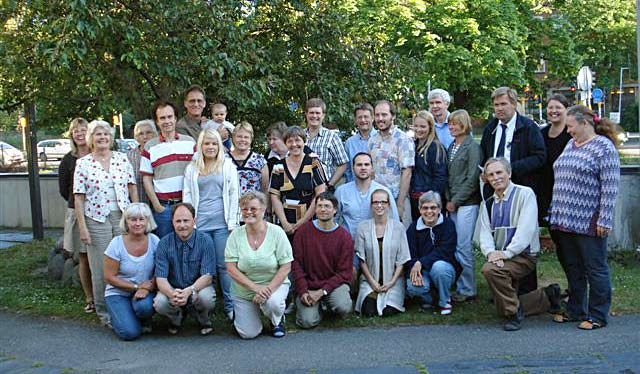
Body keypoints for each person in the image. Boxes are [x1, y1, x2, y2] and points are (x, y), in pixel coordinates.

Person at [549, 105, 620, 330]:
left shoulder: (604, 148)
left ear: (585, 123)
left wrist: (604, 219)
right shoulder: (571, 144)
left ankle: (598, 315)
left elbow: (610, 187)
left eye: (570, 126)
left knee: (595, 268)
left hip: (588, 221)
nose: (567, 130)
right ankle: (576, 310)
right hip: (564, 220)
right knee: (573, 267)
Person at [479, 157, 561, 331]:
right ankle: (547, 296)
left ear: (509, 173)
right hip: (500, 257)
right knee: (491, 268)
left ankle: (512, 312)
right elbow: (484, 235)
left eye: (499, 172)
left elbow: (526, 231)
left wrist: (506, 254)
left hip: (524, 255)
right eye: (491, 174)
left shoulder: (525, 194)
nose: (495, 177)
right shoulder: (487, 204)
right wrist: (491, 254)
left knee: (490, 271)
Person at [479, 87, 546, 295]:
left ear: (514, 104)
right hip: (496, 192)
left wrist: (509, 171)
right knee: (500, 236)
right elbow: (484, 156)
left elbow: (539, 156)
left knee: (522, 241)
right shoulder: (491, 128)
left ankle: (527, 294)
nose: (499, 109)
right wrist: (488, 174)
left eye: (503, 104)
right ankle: (503, 290)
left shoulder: (528, 127)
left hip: (521, 192)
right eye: (496, 105)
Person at [74, 120, 138, 325]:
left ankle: (125, 307)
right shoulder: (83, 163)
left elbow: (132, 187)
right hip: (96, 219)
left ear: (111, 138)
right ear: (91, 139)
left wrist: (136, 214)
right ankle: (104, 312)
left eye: (106, 134)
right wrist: (83, 228)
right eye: (97, 135)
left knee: (124, 264)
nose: (102, 138)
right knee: (101, 268)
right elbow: (79, 198)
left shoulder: (121, 159)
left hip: (121, 217)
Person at [182, 128, 239, 320]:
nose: (210, 147)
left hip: (222, 224)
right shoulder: (192, 168)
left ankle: (231, 307)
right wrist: (190, 222)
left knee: (225, 266)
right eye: (206, 143)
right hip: (200, 225)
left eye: (214, 143)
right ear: (200, 146)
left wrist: (232, 223)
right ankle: (206, 307)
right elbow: (187, 195)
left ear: (219, 145)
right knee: (204, 267)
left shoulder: (228, 166)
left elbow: (234, 195)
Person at [226, 191, 293, 338]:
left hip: (273, 286)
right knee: (248, 334)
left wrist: (267, 290)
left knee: (273, 303)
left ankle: (277, 320)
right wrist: (255, 288)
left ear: (263, 210)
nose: (248, 212)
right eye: (244, 209)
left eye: (253, 208)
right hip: (244, 290)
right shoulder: (235, 235)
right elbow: (231, 269)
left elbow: (286, 266)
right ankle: (243, 314)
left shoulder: (277, 232)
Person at [292, 192, 353, 328]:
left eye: (327, 206)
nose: (323, 209)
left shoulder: (344, 237)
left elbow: (344, 273)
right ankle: (317, 308)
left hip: (333, 285)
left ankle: (325, 301)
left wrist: (322, 291)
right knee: (307, 322)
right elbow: (296, 264)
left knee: (343, 306)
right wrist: (302, 290)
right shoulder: (303, 232)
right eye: (319, 206)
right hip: (308, 285)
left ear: (335, 210)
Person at [153, 203, 216, 335]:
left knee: (207, 298)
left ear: (194, 220)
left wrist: (189, 291)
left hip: (197, 288)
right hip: (173, 289)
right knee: (160, 303)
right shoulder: (164, 243)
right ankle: (176, 319)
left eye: (186, 220)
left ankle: (203, 320)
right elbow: (161, 278)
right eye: (178, 221)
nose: (182, 225)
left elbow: (207, 276)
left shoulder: (205, 240)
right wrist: (172, 294)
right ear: (172, 222)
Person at [141, 100, 196, 239]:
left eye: (170, 117)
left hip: (187, 205)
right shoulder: (150, 146)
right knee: (165, 247)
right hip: (164, 208)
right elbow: (146, 178)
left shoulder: (190, 142)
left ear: (175, 118)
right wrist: (157, 205)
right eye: (162, 118)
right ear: (157, 122)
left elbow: (198, 172)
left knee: (188, 246)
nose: (167, 121)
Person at [103, 203, 159, 341]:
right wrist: (136, 287)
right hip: (118, 293)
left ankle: (140, 318)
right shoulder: (116, 244)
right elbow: (109, 277)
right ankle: (120, 317)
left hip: (145, 291)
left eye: (141, 219)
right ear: (126, 222)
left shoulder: (155, 241)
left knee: (144, 307)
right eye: (133, 219)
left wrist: (149, 287)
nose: (137, 223)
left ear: (147, 221)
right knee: (130, 333)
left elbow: (161, 271)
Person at [354, 189, 410, 317]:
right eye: (376, 202)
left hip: (393, 281)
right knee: (369, 312)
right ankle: (370, 294)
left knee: (388, 312)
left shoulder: (398, 228)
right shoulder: (363, 227)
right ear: (371, 205)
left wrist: (391, 282)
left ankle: (393, 295)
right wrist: (373, 283)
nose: (379, 205)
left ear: (389, 205)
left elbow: (402, 260)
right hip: (370, 280)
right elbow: (362, 260)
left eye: (383, 202)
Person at [445, 109, 482, 303]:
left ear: (464, 125)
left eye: (455, 124)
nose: (451, 127)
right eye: (450, 123)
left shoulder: (472, 147)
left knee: (463, 246)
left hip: (467, 203)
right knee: (456, 245)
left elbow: (472, 178)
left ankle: (468, 289)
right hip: (452, 203)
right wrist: (448, 200)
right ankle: (459, 285)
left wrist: (456, 201)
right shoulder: (452, 145)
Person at [58, 117, 93, 313]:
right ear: (71, 134)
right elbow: (64, 190)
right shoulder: (68, 160)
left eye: (83, 130)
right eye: (76, 131)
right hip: (77, 211)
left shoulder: (97, 154)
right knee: (84, 258)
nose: (80, 134)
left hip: (99, 210)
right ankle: (89, 298)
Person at [405, 191, 459, 315]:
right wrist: (415, 267)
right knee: (414, 287)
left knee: (439, 268)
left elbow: (445, 251)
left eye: (433, 207)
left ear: (439, 209)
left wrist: (421, 262)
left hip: (444, 267)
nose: (429, 211)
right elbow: (409, 254)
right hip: (422, 269)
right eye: (425, 208)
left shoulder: (448, 225)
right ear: (419, 210)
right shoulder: (413, 229)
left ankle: (445, 301)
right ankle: (429, 299)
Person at [269, 126, 326, 237]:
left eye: (297, 140)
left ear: (304, 141)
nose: (294, 144)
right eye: (290, 141)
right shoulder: (278, 166)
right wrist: (284, 222)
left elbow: (320, 193)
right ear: (285, 143)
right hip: (284, 225)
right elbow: (274, 196)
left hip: (310, 223)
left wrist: (303, 221)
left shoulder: (313, 163)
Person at [369, 100, 415, 226]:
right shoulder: (372, 140)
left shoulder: (403, 140)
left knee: (400, 240)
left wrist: (400, 205)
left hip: (396, 200)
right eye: (377, 115)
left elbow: (407, 173)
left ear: (393, 116)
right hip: (377, 202)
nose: (380, 119)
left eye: (384, 115)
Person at [335, 152, 398, 239]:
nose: (363, 168)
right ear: (353, 168)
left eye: (366, 164)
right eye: (359, 165)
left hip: (375, 243)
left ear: (372, 167)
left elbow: (394, 220)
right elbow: (333, 219)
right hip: (348, 243)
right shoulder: (341, 191)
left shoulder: (384, 191)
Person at [539, 94, 572, 226]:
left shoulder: (571, 133)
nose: (553, 111)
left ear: (566, 110)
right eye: (550, 107)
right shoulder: (541, 133)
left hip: (565, 188)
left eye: (558, 107)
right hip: (545, 187)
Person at [304, 98, 349, 190]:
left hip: (323, 189)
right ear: (306, 114)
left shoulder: (332, 137)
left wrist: (329, 185)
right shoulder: (299, 136)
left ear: (323, 115)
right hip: (302, 189)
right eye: (311, 113)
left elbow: (343, 164)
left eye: (317, 113)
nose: (314, 116)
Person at [410, 110, 448, 220]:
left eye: (423, 126)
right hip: (414, 199)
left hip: (429, 203)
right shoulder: (413, 145)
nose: (418, 129)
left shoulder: (435, 148)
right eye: (416, 126)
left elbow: (440, 177)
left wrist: (429, 199)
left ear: (430, 127)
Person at [229, 121, 269, 196]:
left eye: (246, 137)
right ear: (233, 138)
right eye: (239, 136)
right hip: (229, 206)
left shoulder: (260, 161)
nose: (242, 140)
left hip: (253, 206)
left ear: (251, 139)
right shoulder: (224, 159)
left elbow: (265, 190)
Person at [127, 119, 158, 205]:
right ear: (136, 137)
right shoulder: (129, 157)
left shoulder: (161, 153)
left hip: (160, 204)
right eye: (141, 134)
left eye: (148, 132)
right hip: (138, 204)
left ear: (155, 134)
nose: (145, 137)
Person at [344, 103, 376, 182]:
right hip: (355, 189)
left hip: (378, 190)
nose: (363, 120)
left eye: (366, 117)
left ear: (372, 118)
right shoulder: (350, 143)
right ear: (355, 120)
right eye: (360, 117)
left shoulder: (382, 139)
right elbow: (347, 170)